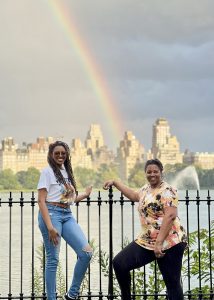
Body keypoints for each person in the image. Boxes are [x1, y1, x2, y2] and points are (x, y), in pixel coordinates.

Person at [103, 158, 187, 300]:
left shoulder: (168, 190)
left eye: (155, 171)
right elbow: (134, 196)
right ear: (145, 173)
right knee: (119, 263)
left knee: (172, 284)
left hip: (170, 242)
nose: (152, 174)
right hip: (147, 241)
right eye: (149, 172)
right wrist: (116, 183)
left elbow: (171, 215)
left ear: (161, 172)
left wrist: (159, 243)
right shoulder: (146, 189)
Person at [38, 141, 93, 300]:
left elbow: (68, 199)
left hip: (66, 214)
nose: (60, 156)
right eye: (57, 153)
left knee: (86, 253)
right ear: (51, 155)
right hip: (51, 215)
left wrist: (85, 195)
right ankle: (51, 298)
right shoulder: (47, 172)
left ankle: (72, 294)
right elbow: (41, 201)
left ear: (67, 155)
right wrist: (49, 227)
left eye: (63, 153)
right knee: (53, 259)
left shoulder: (66, 172)